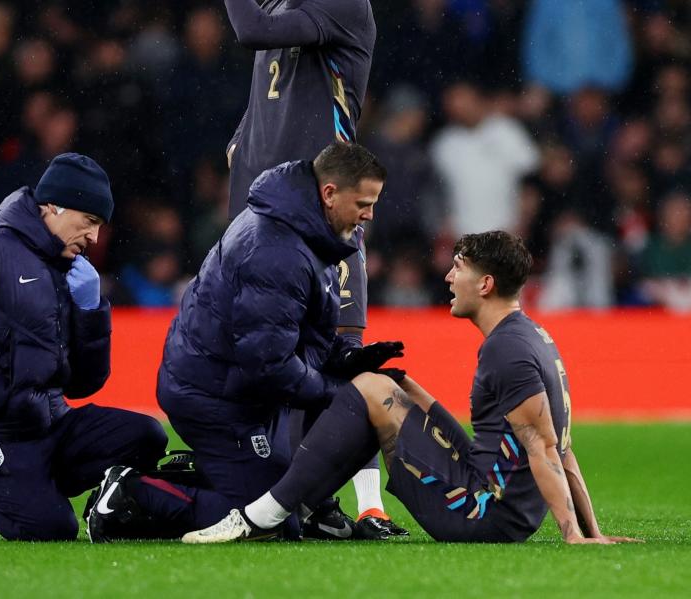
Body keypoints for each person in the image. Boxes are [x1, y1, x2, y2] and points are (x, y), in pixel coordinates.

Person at [184, 231, 642, 545]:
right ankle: (297, 510)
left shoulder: (506, 351)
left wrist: (575, 535)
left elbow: (542, 447)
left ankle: (266, 514)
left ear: (485, 284)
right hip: (499, 504)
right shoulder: (533, 337)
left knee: (364, 386)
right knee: (378, 384)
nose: (447, 277)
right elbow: (563, 448)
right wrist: (407, 388)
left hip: (482, 515)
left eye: (458, 268)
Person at [86, 142, 402, 542]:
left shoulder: (302, 232)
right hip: (213, 398)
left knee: (288, 487)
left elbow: (290, 338)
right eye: (364, 202)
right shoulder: (278, 250)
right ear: (329, 194)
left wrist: (347, 360)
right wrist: (336, 389)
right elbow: (269, 364)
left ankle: (212, 472)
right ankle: (133, 491)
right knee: (269, 518)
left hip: (238, 391)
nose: (369, 214)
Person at [0, 153, 168, 542]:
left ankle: (51, 488)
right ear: (54, 206)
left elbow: (84, 384)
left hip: (46, 424)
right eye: (90, 222)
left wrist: (92, 312)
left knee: (147, 436)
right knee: (52, 528)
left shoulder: (70, 271)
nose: (94, 238)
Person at [221, 0, 403, 537]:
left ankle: (368, 504)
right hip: (267, 219)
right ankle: (300, 500)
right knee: (272, 359)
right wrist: (241, 139)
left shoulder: (342, 5)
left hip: (329, 219)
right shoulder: (279, 6)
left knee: (340, 358)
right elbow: (270, 95)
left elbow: (252, 30)